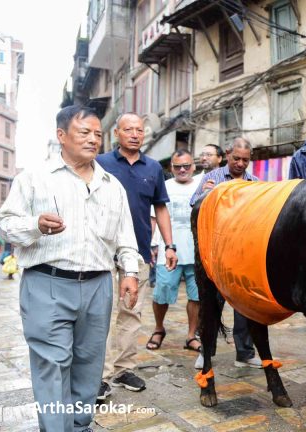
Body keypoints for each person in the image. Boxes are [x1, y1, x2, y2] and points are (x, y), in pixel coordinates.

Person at [0, 105, 140, 431]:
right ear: (61, 135)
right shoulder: (34, 179)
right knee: (52, 364)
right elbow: (4, 224)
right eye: (84, 132)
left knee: (89, 364)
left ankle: (80, 425)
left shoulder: (111, 185)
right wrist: (35, 225)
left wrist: (130, 273)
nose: (93, 140)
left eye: (98, 134)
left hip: (98, 285)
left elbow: (125, 238)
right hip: (47, 283)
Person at [96, 112, 178, 399]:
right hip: (104, 252)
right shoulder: (100, 163)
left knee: (131, 312)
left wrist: (169, 245)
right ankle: (99, 375)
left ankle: (123, 369)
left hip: (139, 252)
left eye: (139, 130)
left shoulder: (153, 168)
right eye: (128, 129)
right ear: (116, 133)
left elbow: (161, 207)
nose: (134, 134)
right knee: (102, 314)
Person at [190, 137, 263, 368]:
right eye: (236, 159)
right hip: (217, 253)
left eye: (245, 160)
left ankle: (245, 353)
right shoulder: (212, 177)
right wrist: (205, 194)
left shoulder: (255, 183)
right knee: (212, 303)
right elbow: (194, 205)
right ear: (228, 155)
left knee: (245, 304)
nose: (240, 164)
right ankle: (206, 352)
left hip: (243, 253)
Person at [147, 150, 202, 352]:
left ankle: (191, 335)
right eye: (178, 166)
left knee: (196, 296)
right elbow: (154, 217)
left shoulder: (202, 186)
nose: (183, 170)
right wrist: (152, 244)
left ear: (193, 166)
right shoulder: (165, 187)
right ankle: (159, 329)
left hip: (197, 252)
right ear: (172, 168)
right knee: (162, 292)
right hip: (168, 252)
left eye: (186, 166)